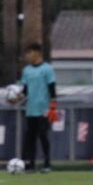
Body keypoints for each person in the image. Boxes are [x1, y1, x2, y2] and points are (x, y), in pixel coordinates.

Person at [12, 42, 57, 173]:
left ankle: (47, 163)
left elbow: (52, 88)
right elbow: (25, 90)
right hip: (31, 109)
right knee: (30, 138)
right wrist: (17, 97)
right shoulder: (27, 70)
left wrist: (53, 106)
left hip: (43, 108)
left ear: (37, 53)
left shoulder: (47, 69)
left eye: (30, 53)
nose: (28, 56)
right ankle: (30, 164)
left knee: (43, 136)